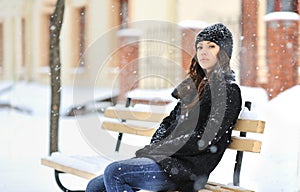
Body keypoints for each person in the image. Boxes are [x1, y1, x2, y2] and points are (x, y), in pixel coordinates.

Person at [86, 23, 242, 192]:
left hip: (186, 170)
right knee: (94, 186)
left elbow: (205, 139)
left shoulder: (228, 92)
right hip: (165, 161)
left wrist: (164, 149)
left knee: (115, 172)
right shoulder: (193, 88)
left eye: (211, 46)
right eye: (200, 47)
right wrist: (157, 148)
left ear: (224, 51)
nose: (203, 51)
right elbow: (168, 123)